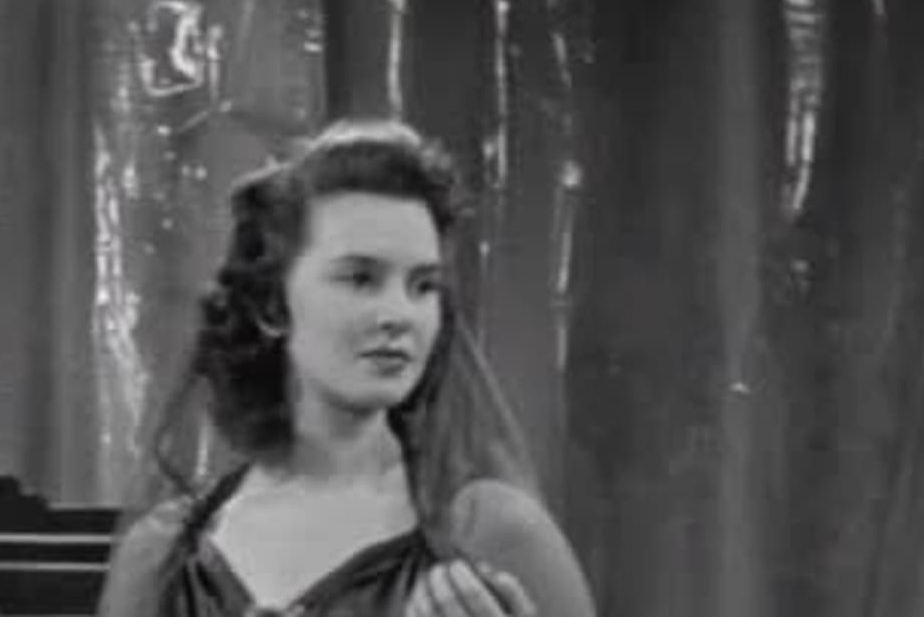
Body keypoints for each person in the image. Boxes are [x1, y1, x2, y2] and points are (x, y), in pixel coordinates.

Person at [97, 118, 595, 617]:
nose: (399, 315)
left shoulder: (493, 534)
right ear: (272, 305)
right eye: (360, 279)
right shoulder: (163, 555)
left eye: (423, 286)